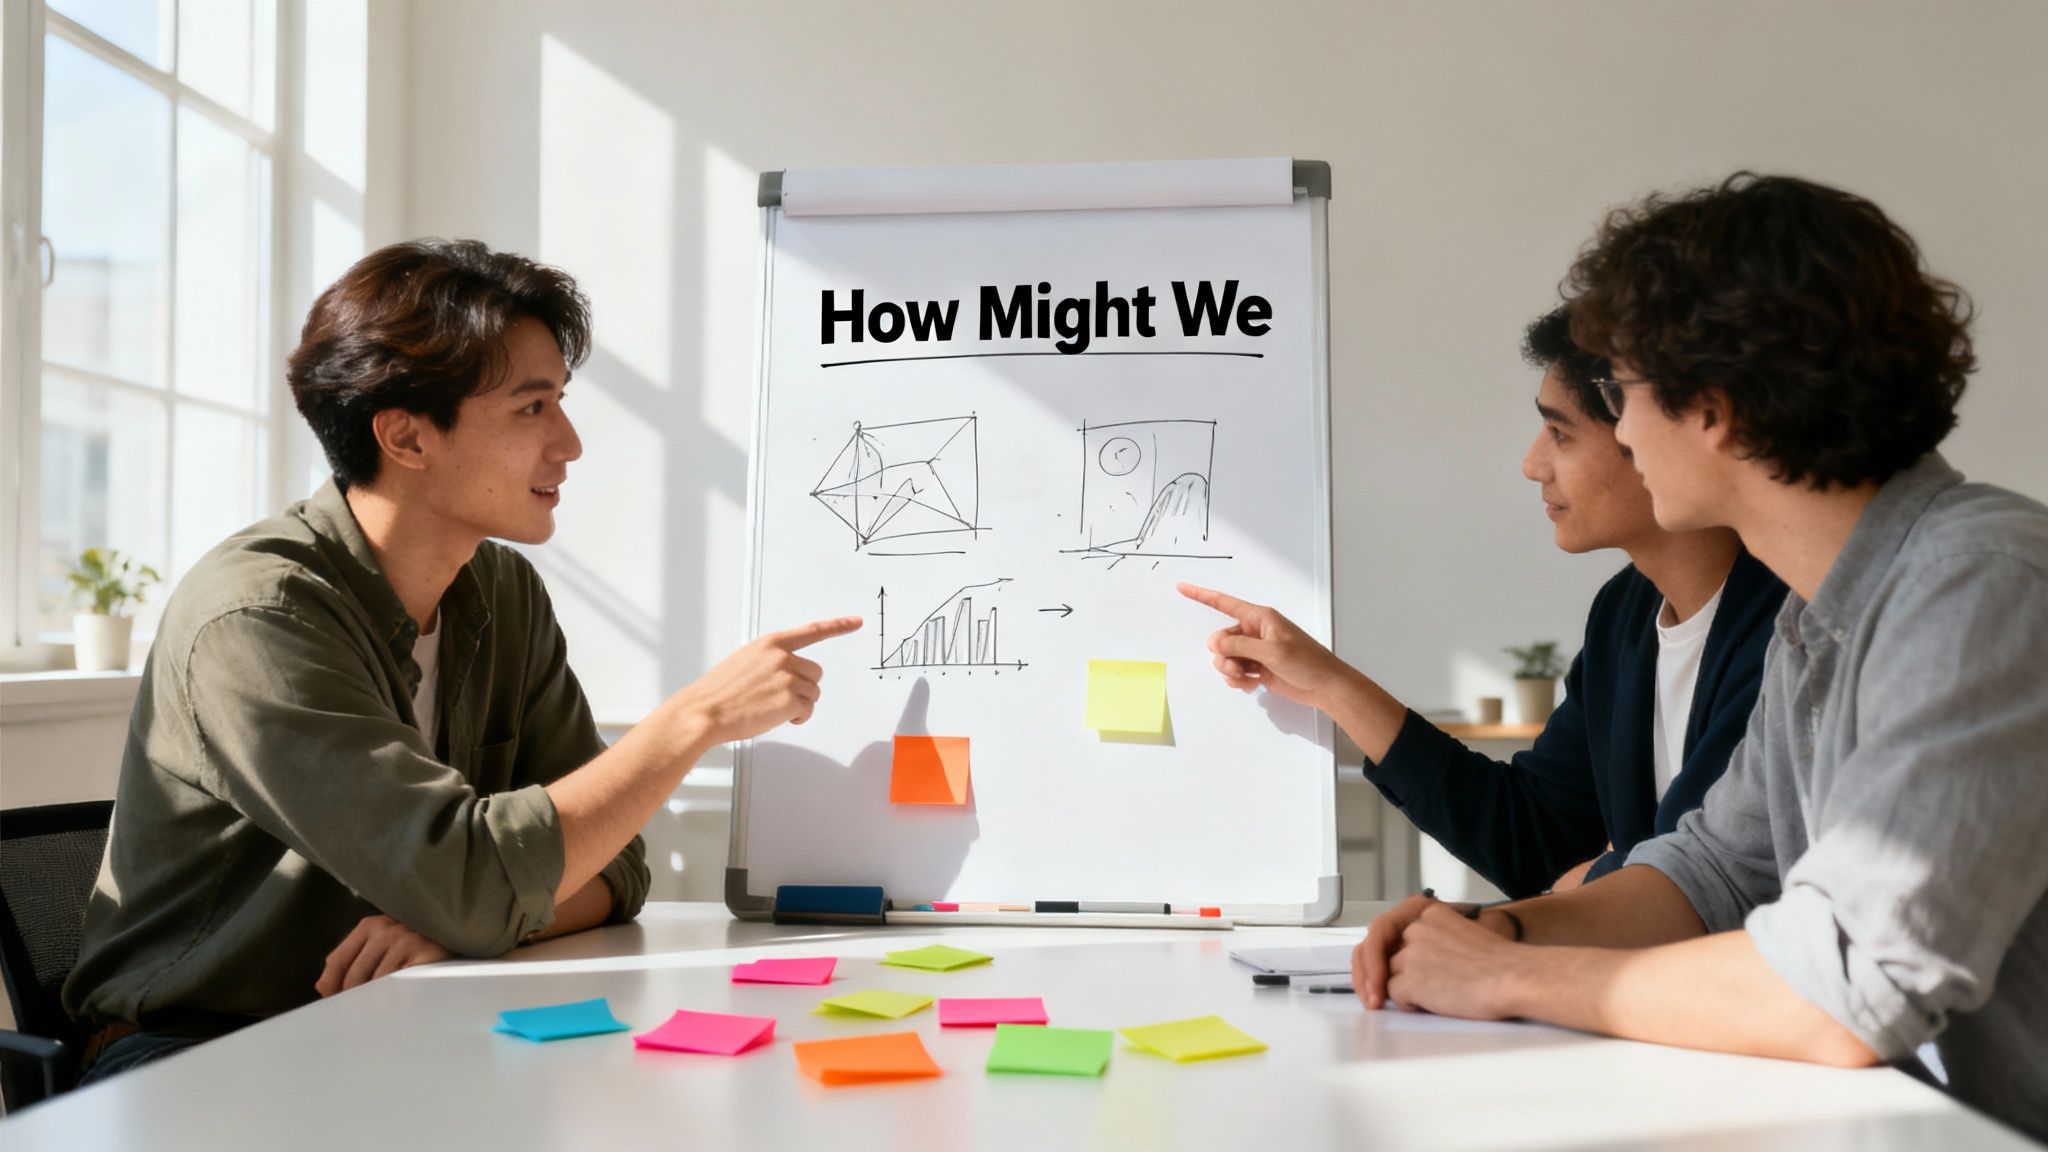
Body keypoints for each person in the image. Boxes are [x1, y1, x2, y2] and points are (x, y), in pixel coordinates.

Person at [1351, 173, 2048, 1142]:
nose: (1623, 433)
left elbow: (1846, 986)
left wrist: (1508, 976)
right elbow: (1712, 870)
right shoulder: (1820, 611)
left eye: (1625, 398)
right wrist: (1496, 929)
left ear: (1711, 411)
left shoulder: (1978, 582)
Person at [63, 240, 861, 1081]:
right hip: (196, 1057)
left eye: (561, 401)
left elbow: (614, 863)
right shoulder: (256, 618)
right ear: (406, 436)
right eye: (531, 408)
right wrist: (694, 720)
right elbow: (493, 881)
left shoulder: (502, 593)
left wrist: (464, 919)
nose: (570, 443)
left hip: (389, 1026)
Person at [1181, 305, 1785, 898]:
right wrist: (1332, 687)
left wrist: (1575, 893)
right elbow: (1534, 838)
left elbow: (1690, 881)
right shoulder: (1624, 615)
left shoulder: (1788, 626)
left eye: (1560, 433)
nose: (1532, 464)